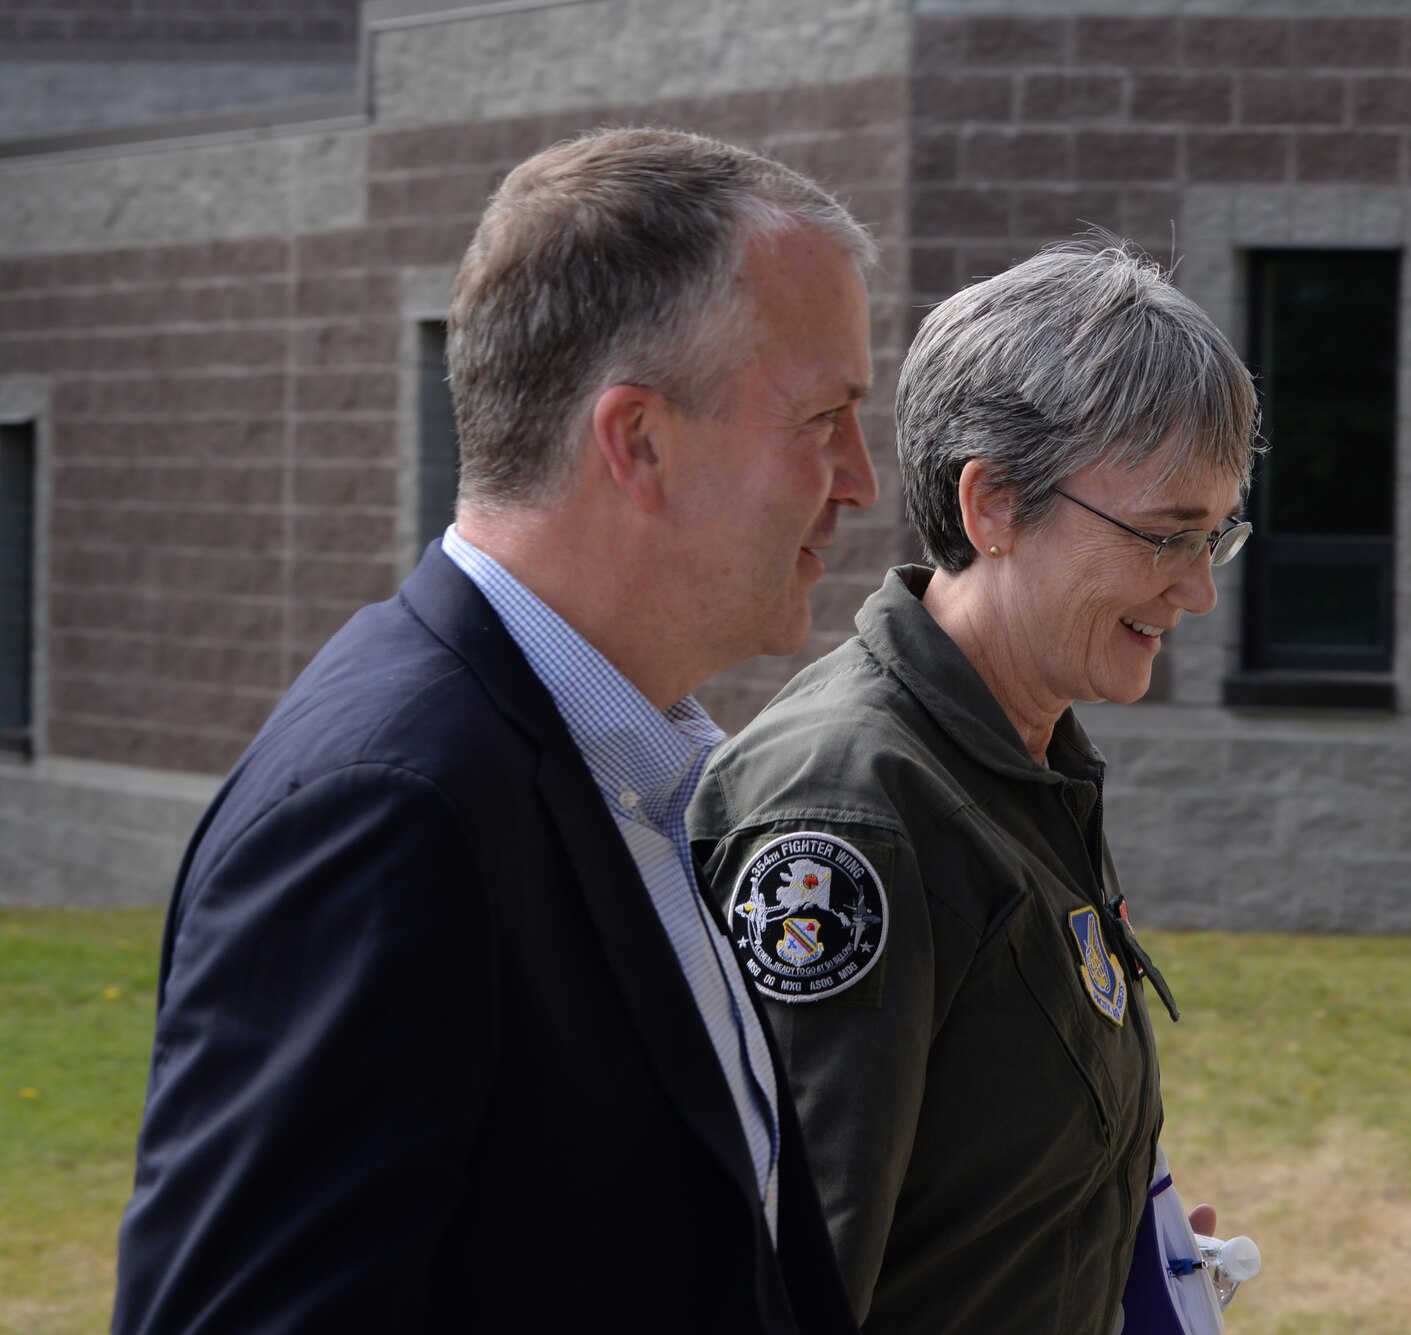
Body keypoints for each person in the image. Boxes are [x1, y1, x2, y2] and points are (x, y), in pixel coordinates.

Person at [114, 128, 878, 1333]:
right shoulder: (386, 811)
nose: (860, 480)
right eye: (827, 416)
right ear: (638, 441)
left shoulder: (633, 770)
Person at [690, 238, 1260, 1334]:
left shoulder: (1018, 753)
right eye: (1163, 537)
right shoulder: (852, 812)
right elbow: (792, 1288)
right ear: (991, 503)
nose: (1196, 591)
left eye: (1215, 537)